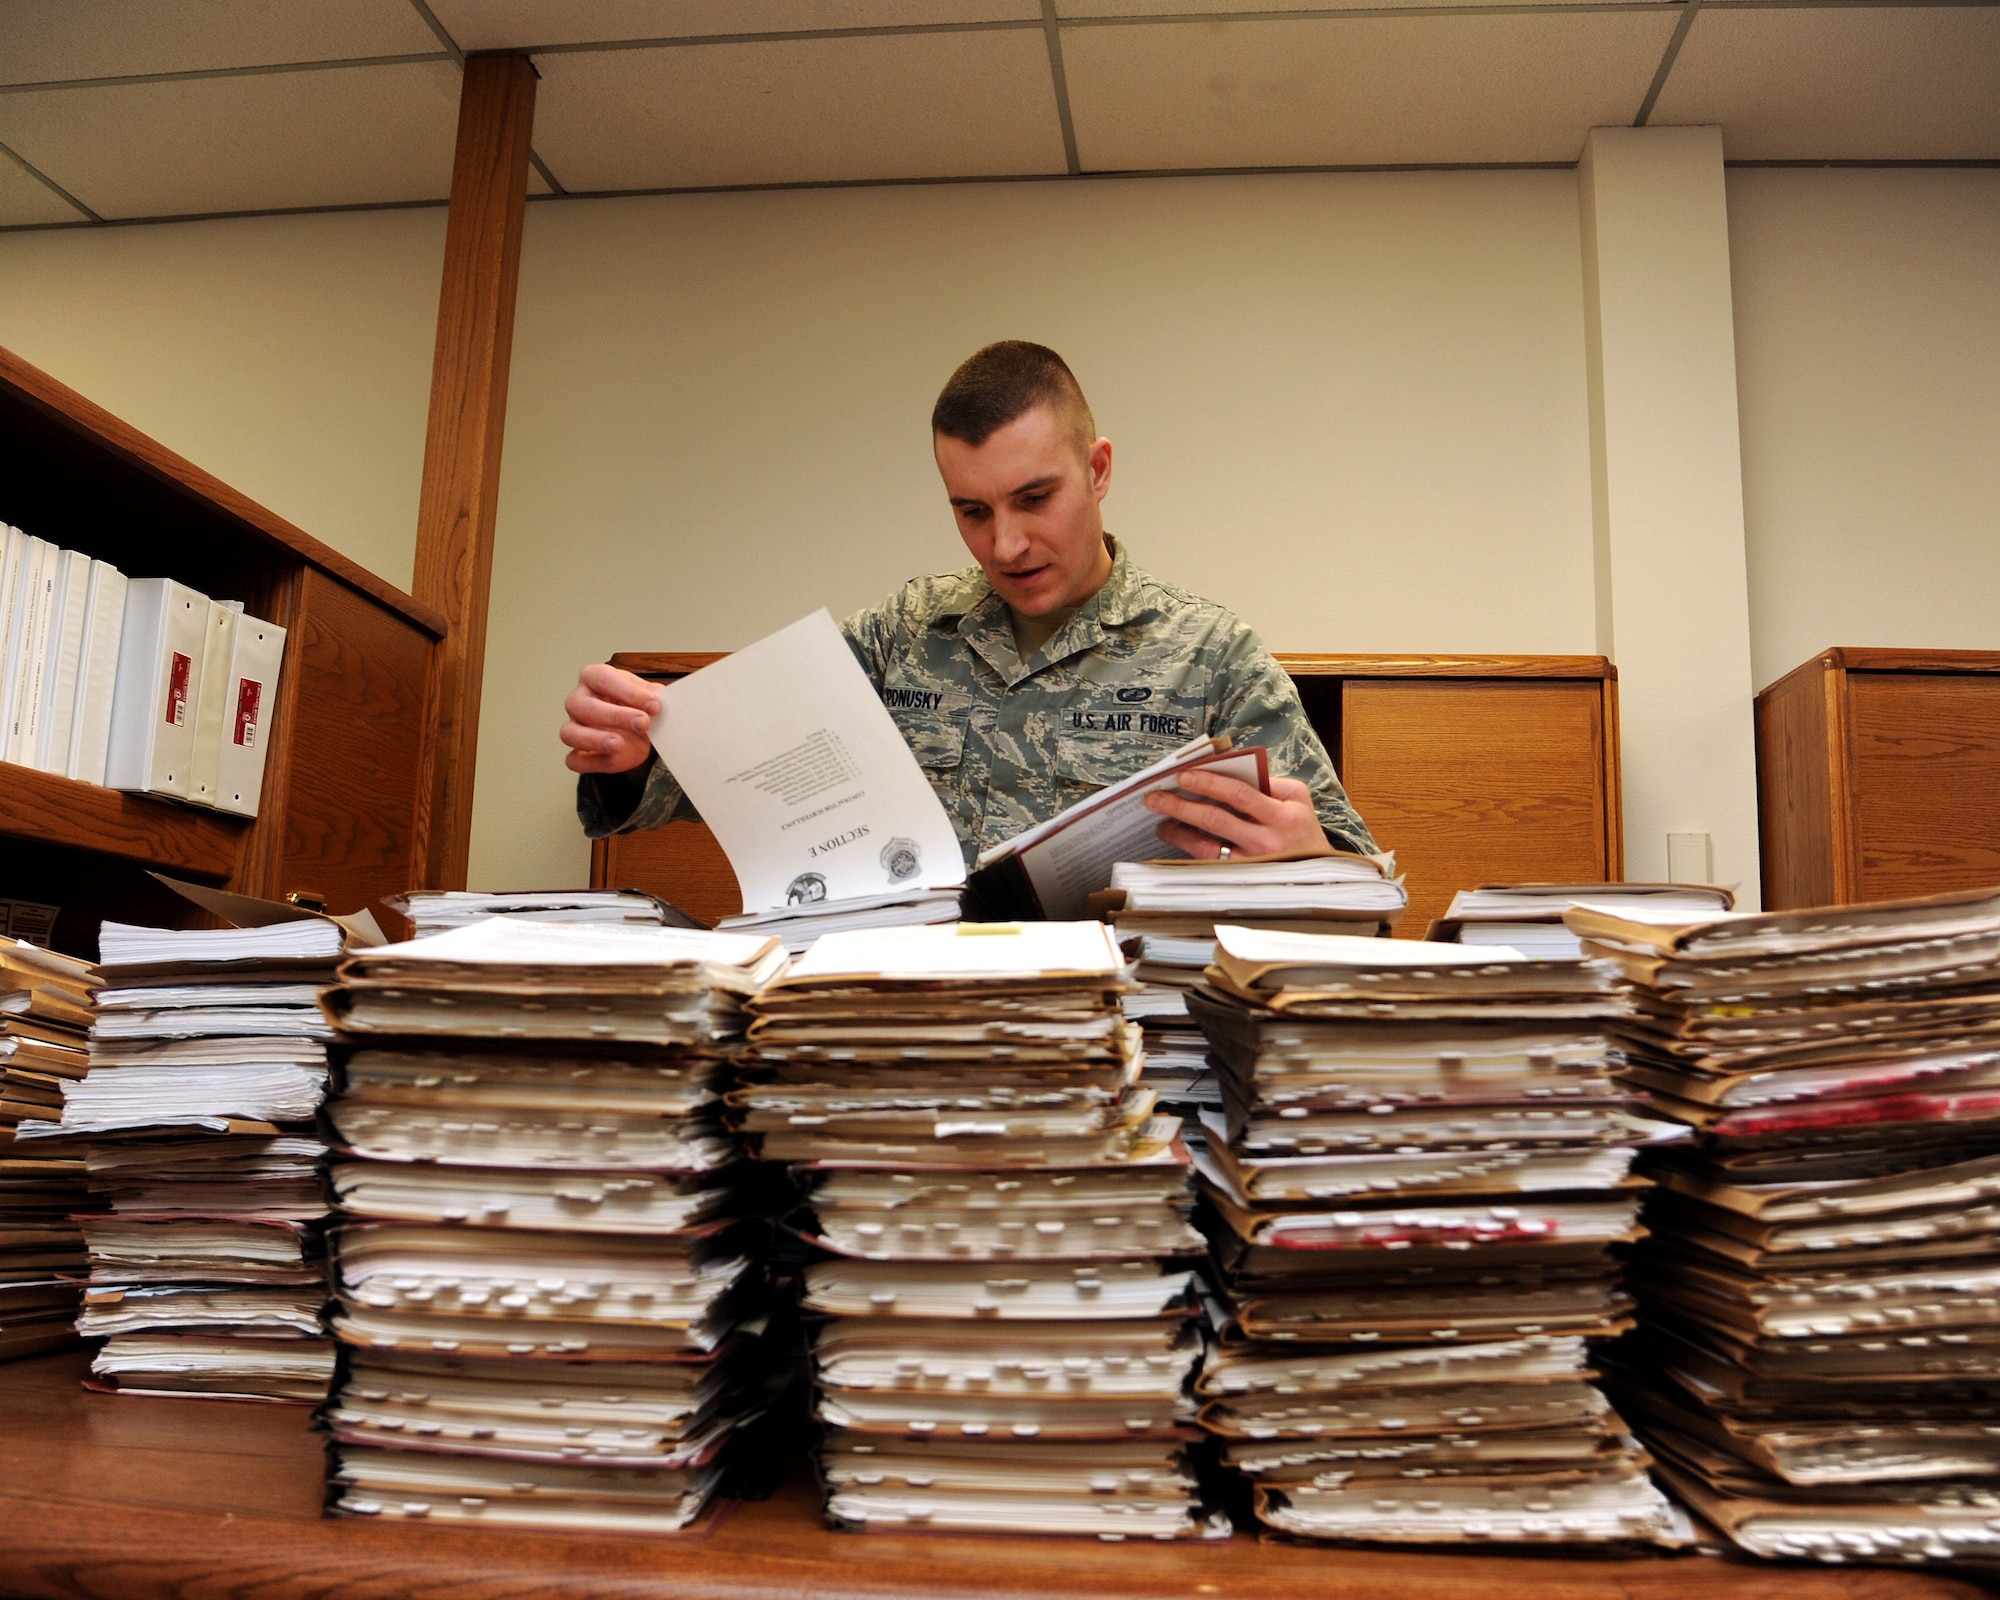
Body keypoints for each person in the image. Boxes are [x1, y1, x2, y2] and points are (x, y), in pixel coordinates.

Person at [564, 341, 1375, 866]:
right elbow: (742, 776)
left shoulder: (1211, 653)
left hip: (1121, 1037)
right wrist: (638, 754)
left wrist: (1310, 854)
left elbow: (1359, 879)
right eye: (972, 511)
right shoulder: (897, 634)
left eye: (1034, 498)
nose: (1006, 546)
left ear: (1096, 470)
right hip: (925, 1025)